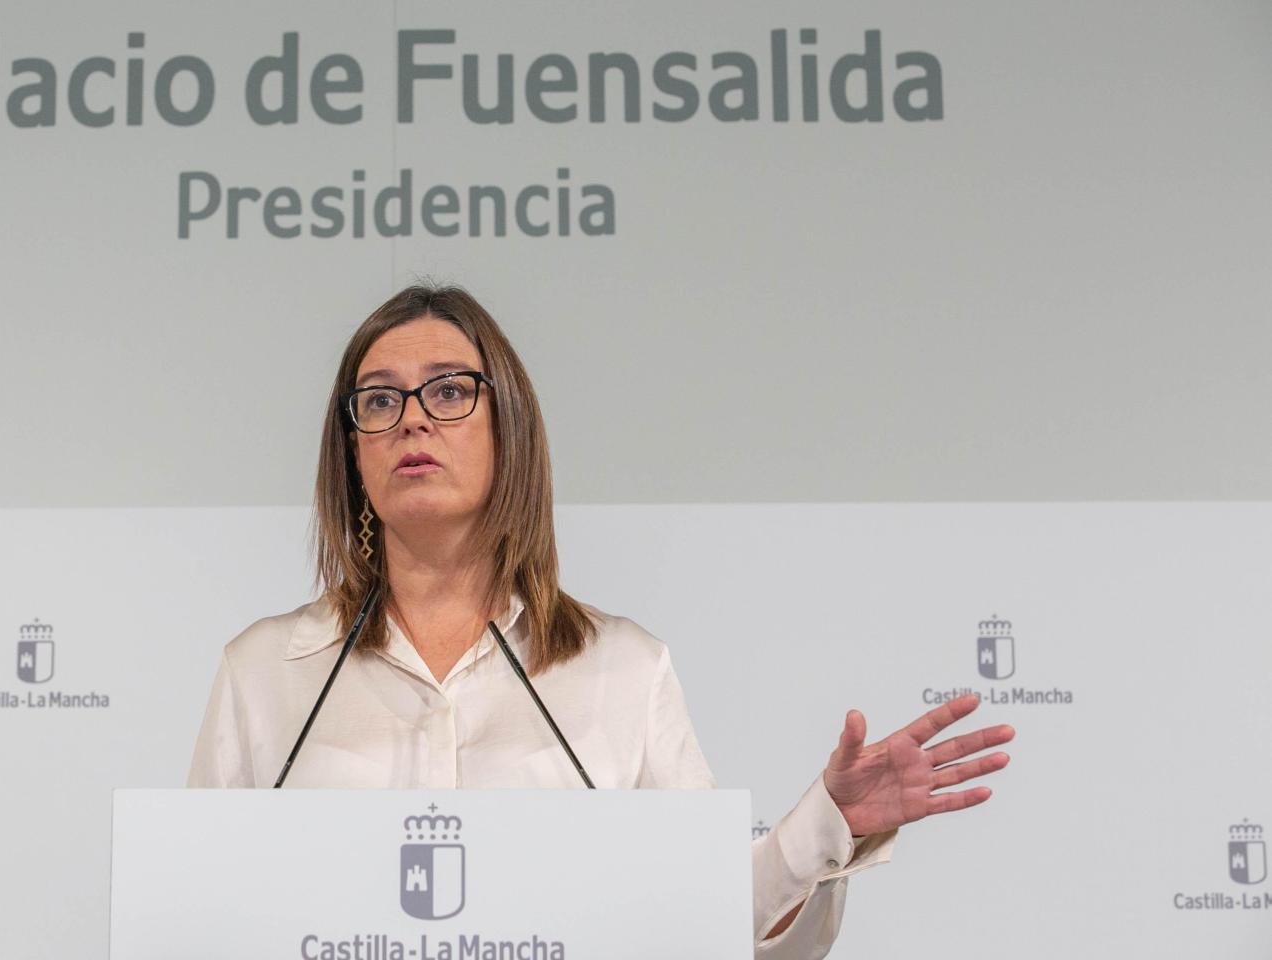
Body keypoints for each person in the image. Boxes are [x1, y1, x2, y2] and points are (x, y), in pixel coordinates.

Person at [187, 284, 1014, 958]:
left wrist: (823, 829)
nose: (412, 417)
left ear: (509, 428)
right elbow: (191, 923)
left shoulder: (624, 670)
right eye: (378, 399)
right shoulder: (265, 671)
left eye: (447, 390)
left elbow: (708, 928)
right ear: (353, 452)